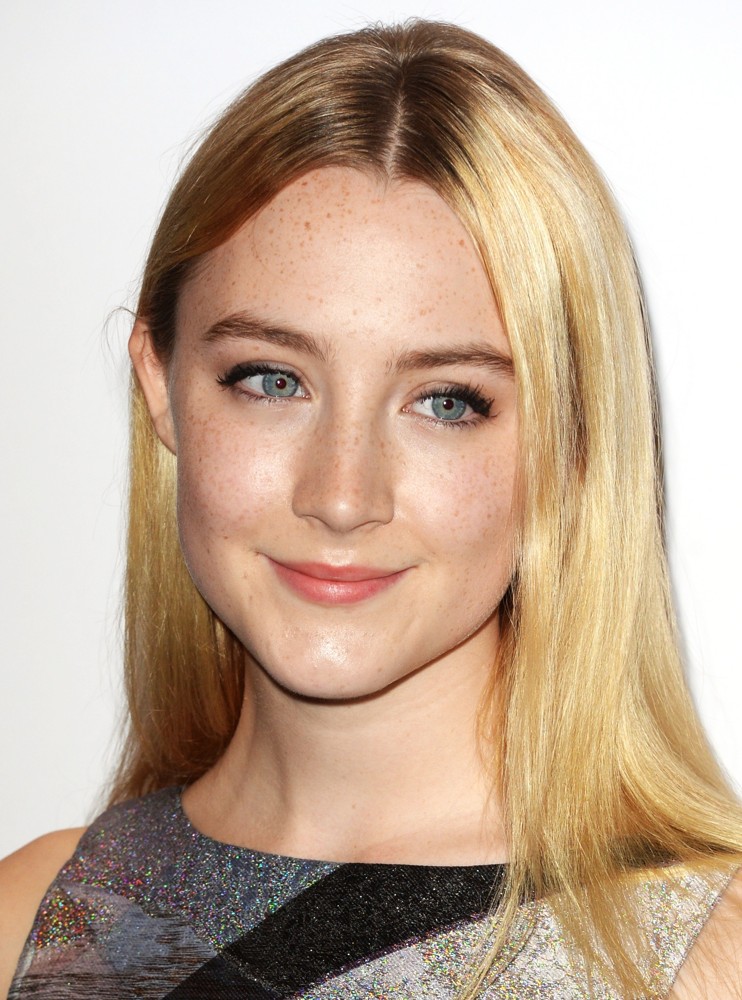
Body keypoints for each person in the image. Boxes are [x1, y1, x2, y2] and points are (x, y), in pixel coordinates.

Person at [1, 18, 740, 999]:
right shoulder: (30, 916)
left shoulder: (705, 957)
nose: (342, 496)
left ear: (573, 441)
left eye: (446, 402)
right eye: (271, 380)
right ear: (160, 387)